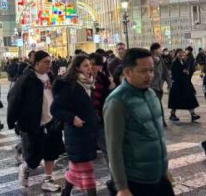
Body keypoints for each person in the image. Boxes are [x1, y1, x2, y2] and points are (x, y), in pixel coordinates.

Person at [104, 48, 175, 196]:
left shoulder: (151, 94)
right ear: (128, 72)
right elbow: (113, 148)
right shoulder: (117, 101)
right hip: (136, 181)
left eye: (151, 70)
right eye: (143, 71)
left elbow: (156, 137)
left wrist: (164, 170)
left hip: (159, 178)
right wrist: (122, 187)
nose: (149, 75)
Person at [7, 50, 64, 192]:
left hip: (51, 121)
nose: (49, 64)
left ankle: (48, 179)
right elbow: (13, 100)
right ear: (37, 63)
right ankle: (25, 168)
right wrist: (12, 121)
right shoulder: (26, 79)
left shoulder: (50, 76)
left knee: (51, 153)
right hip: (33, 123)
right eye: (46, 62)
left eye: (50, 61)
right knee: (33, 157)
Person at [51, 55, 99, 196]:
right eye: (85, 65)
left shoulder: (88, 83)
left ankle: (66, 193)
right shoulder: (70, 86)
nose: (89, 68)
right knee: (87, 169)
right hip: (76, 133)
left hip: (87, 132)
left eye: (90, 65)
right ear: (77, 67)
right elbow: (55, 109)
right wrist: (73, 119)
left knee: (76, 167)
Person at [87, 53, 117, 195]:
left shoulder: (103, 78)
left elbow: (108, 97)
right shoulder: (82, 80)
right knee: (80, 159)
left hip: (101, 121)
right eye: (89, 64)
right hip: (87, 123)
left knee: (109, 152)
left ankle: (116, 182)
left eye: (94, 64)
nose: (92, 67)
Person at [168, 49, 200, 122]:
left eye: (182, 53)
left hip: (185, 84)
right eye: (179, 53)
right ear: (176, 54)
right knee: (176, 100)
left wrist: (186, 72)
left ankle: (193, 114)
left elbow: (186, 70)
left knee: (189, 99)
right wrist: (182, 71)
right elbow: (174, 73)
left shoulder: (183, 61)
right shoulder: (175, 62)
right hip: (178, 85)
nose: (181, 54)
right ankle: (172, 114)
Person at [150, 43, 172, 127]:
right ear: (154, 50)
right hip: (152, 87)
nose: (161, 50)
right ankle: (161, 121)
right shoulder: (149, 59)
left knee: (157, 104)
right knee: (157, 104)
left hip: (159, 86)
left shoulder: (160, 59)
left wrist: (169, 83)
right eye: (159, 49)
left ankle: (159, 121)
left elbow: (165, 72)